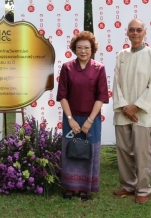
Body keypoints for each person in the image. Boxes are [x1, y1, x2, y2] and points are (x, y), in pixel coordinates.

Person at [112, 19, 151, 204]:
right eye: (132, 30)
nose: (135, 33)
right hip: (122, 110)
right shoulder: (121, 55)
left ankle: (143, 189)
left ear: (145, 32)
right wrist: (124, 106)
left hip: (142, 112)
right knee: (123, 149)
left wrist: (136, 106)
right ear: (127, 32)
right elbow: (115, 83)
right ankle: (128, 185)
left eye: (139, 30)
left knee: (142, 151)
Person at [57, 31, 109, 201]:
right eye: (79, 48)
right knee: (71, 150)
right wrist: (70, 119)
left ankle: (86, 188)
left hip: (91, 119)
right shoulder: (67, 67)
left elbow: (101, 97)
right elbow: (62, 95)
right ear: (74, 49)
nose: (83, 51)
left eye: (87, 48)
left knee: (88, 151)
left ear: (92, 49)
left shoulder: (99, 68)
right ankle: (70, 188)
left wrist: (89, 121)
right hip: (70, 117)